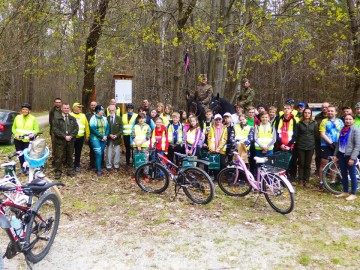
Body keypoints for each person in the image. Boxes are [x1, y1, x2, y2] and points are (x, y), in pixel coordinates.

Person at [333, 114, 360, 201]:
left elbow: (357, 145)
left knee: (352, 175)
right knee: (343, 174)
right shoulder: (342, 129)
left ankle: (353, 193)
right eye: (346, 119)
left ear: (353, 120)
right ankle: (345, 191)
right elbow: (338, 143)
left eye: (350, 119)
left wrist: (352, 158)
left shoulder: (356, 130)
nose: (348, 121)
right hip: (341, 154)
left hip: (350, 155)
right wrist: (335, 154)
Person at [318, 105, 344, 187]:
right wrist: (330, 143)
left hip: (337, 145)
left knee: (335, 163)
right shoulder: (324, 121)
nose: (330, 112)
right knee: (323, 163)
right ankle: (321, 181)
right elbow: (322, 134)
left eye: (332, 111)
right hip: (326, 145)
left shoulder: (340, 121)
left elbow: (343, 132)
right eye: (328, 111)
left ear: (336, 112)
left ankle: (332, 181)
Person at [52, 103, 79, 179]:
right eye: (65, 108)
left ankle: (70, 170)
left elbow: (76, 129)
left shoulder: (72, 118)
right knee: (59, 157)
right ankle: (58, 172)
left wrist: (71, 136)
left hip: (70, 141)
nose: (66, 109)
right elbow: (55, 129)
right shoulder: (57, 118)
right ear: (61, 109)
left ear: (69, 109)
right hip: (60, 141)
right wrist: (64, 136)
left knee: (70, 156)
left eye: (67, 108)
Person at [12, 103, 40, 173]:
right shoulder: (17, 117)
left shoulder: (33, 118)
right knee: (20, 154)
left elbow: (37, 129)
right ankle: (22, 167)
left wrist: (33, 134)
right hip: (18, 139)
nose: (24, 111)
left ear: (29, 111)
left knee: (27, 154)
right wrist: (15, 134)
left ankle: (27, 168)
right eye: (23, 109)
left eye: (26, 109)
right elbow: (13, 128)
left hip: (27, 140)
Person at [274, 103, 298, 179]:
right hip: (279, 145)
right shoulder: (278, 119)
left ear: (291, 110)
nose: (286, 110)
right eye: (285, 108)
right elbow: (276, 133)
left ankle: (289, 177)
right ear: (283, 110)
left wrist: (288, 145)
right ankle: (280, 177)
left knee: (290, 162)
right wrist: (280, 144)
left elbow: (295, 134)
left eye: (288, 108)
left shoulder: (294, 120)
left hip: (289, 145)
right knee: (280, 162)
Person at [296, 108, 317, 187]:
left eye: (309, 113)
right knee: (301, 163)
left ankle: (306, 180)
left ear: (311, 114)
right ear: (303, 114)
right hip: (301, 145)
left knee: (308, 164)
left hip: (310, 146)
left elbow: (316, 135)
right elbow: (297, 135)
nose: (307, 114)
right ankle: (300, 180)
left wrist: (313, 144)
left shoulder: (314, 123)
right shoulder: (299, 123)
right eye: (305, 113)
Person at [89, 105, 109, 176]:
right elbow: (93, 129)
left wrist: (105, 136)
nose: (103, 111)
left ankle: (98, 167)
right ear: (97, 111)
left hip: (103, 139)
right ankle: (98, 170)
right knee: (99, 153)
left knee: (100, 153)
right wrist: (101, 136)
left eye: (103, 110)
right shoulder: (93, 118)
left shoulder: (104, 118)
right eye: (101, 110)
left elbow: (107, 128)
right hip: (95, 139)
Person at [70, 102, 90, 173]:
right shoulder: (70, 115)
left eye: (80, 107)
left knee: (78, 152)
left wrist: (87, 135)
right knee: (70, 152)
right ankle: (70, 165)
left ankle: (77, 165)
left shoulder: (83, 115)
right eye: (78, 107)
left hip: (80, 137)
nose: (80, 108)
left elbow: (87, 126)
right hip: (72, 138)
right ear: (74, 107)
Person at [131, 113, 151, 181]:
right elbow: (133, 136)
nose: (141, 120)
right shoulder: (135, 126)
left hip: (144, 146)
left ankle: (146, 174)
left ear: (145, 119)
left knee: (145, 160)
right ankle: (136, 174)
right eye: (140, 118)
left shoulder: (148, 126)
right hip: (136, 146)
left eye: (142, 118)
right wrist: (137, 144)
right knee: (136, 160)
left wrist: (140, 144)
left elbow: (148, 137)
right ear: (138, 119)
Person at [314, 102, 329, 175]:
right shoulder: (317, 117)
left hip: (329, 140)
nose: (324, 108)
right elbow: (315, 128)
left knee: (328, 156)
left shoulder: (331, 116)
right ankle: (318, 170)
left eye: (326, 107)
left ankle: (328, 171)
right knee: (318, 156)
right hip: (318, 139)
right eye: (323, 107)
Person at [106, 105, 123, 171]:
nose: (111, 111)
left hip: (117, 138)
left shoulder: (119, 118)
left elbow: (121, 129)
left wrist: (117, 135)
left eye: (112, 110)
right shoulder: (106, 118)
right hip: (109, 138)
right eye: (109, 110)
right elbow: (105, 129)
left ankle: (116, 165)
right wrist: (109, 135)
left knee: (117, 152)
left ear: (115, 110)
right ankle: (108, 165)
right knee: (109, 152)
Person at [122, 103, 138, 168]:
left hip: (133, 135)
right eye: (128, 108)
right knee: (127, 149)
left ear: (133, 109)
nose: (129, 110)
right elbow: (122, 125)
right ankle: (127, 162)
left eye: (131, 108)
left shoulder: (136, 115)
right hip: (126, 135)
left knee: (134, 149)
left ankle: (134, 162)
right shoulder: (124, 115)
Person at [49, 98, 62, 163]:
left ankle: (62, 159)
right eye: (56, 102)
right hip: (53, 131)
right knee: (54, 146)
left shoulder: (63, 110)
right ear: (54, 103)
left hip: (62, 130)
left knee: (61, 145)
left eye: (59, 102)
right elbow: (50, 121)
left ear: (61, 103)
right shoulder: (52, 111)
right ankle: (54, 159)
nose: (58, 103)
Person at [86, 101, 97, 169]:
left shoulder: (101, 114)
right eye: (92, 105)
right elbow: (86, 126)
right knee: (92, 150)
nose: (93, 106)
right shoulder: (87, 115)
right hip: (91, 136)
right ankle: (92, 164)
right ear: (90, 106)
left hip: (99, 136)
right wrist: (87, 135)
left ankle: (100, 163)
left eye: (94, 105)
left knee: (99, 150)